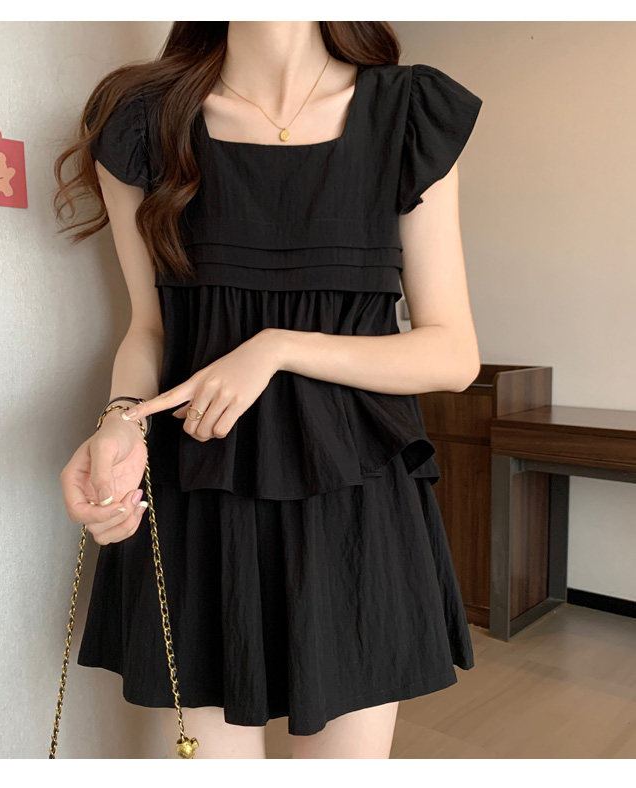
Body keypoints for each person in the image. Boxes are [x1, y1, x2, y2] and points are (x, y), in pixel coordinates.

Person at [55, 20, 482, 759]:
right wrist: (120, 421)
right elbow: (150, 330)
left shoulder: (408, 114)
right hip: (200, 490)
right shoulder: (142, 122)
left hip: (355, 499)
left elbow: (453, 354)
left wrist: (279, 349)